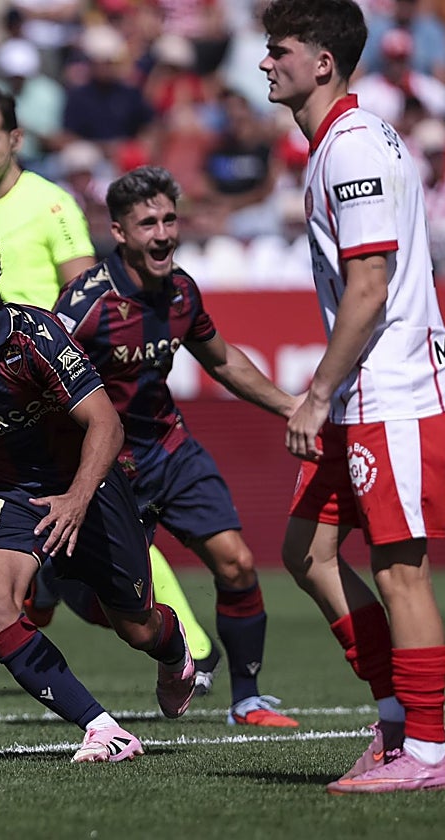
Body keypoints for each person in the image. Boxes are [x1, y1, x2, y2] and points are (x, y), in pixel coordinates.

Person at [0, 83, 220, 703]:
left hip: (50, 384)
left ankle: (188, 643)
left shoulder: (51, 204)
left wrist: (43, 353)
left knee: (114, 529)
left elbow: (84, 293)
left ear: (15, 139)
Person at [0, 220, 197, 763]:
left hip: (87, 483)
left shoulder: (35, 336)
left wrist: (76, 499)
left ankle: (172, 642)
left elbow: (106, 426)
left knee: (135, 628)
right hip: (6, 493)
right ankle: (103, 729)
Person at [260, 0, 445, 793]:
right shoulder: (340, 143)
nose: (266, 63)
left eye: (280, 50)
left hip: (394, 393)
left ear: (323, 63)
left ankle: (428, 755)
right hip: (367, 398)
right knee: (305, 551)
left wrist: (316, 392)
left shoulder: (351, 149)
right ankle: (396, 722)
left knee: (404, 572)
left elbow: (369, 286)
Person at [53, 166, 300, 729]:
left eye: (169, 219)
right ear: (119, 232)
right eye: (148, 224)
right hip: (108, 467)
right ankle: (59, 584)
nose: (163, 234)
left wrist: (288, 405)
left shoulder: (183, 290)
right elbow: (48, 376)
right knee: (123, 614)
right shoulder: (85, 304)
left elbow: (223, 360)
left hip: (170, 449)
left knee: (236, 562)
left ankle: (248, 700)